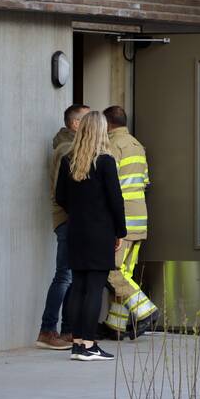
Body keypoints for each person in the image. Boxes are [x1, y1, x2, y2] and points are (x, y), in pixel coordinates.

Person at [55, 110, 126, 362]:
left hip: (75, 230)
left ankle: (76, 343)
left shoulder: (69, 160)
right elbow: (116, 200)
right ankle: (89, 344)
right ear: (101, 131)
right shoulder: (105, 161)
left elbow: (60, 197)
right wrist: (120, 231)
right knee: (94, 288)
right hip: (100, 232)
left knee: (78, 287)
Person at [101, 105, 160, 338]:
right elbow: (145, 182)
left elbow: (110, 185)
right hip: (139, 217)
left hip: (121, 218)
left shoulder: (112, 146)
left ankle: (145, 310)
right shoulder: (137, 145)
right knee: (126, 272)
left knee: (111, 270)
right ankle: (115, 325)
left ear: (106, 125)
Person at [37, 103, 89, 351]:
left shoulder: (71, 146)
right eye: (88, 119)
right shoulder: (67, 149)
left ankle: (67, 330)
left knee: (71, 276)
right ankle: (48, 330)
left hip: (72, 218)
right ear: (76, 124)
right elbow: (64, 191)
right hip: (68, 219)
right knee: (65, 276)